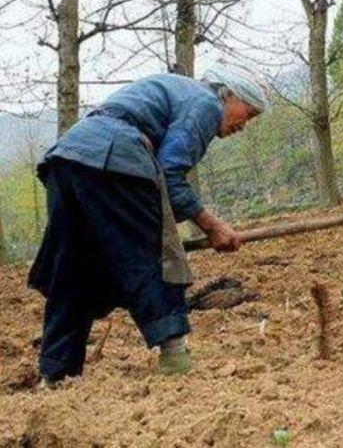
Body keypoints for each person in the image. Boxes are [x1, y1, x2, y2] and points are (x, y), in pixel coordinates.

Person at [28, 67, 268, 386]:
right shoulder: (206, 103)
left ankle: (56, 372)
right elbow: (170, 176)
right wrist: (212, 226)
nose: (243, 126)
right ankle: (176, 358)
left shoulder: (179, 92)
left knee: (74, 269)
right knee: (157, 254)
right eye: (247, 114)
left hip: (67, 159)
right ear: (229, 94)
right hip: (117, 156)